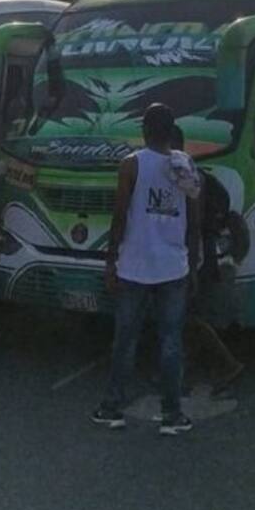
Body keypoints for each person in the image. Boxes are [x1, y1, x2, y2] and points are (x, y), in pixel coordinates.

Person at [92, 103, 200, 436]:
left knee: (125, 340)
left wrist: (111, 260)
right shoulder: (185, 165)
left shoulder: (131, 165)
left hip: (134, 267)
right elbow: (194, 219)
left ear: (144, 130)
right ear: (171, 131)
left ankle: (112, 408)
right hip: (173, 267)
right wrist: (193, 264)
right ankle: (172, 415)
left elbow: (119, 216)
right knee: (171, 342)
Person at [169, 125, 244, 395]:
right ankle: (185, 375)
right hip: (189, 256)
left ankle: (227, 365)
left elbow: (194, 225)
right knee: (186, 319)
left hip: (195, 257)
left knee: (188, 318)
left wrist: (190, 267)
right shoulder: (178, 174)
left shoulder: (191, 177)